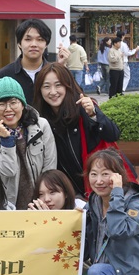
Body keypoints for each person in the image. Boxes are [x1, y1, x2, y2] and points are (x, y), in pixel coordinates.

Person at [32, 63, 121, 198]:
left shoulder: (83, 108)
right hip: (66, 193)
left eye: (58, 85)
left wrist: (94, 113)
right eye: (46, 86)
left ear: (68, 85)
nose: (53, 92)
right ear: (39, 90)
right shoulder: (39, 120)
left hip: (95, 187)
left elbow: (113, 134)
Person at [0, 76, 56, 210]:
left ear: (22, 104)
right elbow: (6, 172)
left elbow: (50, 167)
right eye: (1, 104)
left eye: (13, 102)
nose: (8, 109)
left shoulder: (41, 126)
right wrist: (6, 141)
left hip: (40, 202)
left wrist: (44, 199)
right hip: (8, 205)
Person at [0, 19, 68, 105]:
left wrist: (62, 67)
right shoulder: (3, 76)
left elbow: (71, 101)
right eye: (28, 39)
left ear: (46, 44)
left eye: (40, 39)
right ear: (19, 43)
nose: (34, 44)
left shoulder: (55, 72)